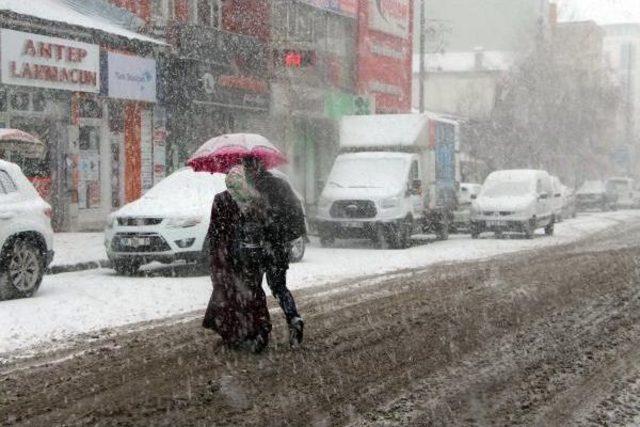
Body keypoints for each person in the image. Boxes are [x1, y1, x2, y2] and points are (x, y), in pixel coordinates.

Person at [202, 165, 271, 353]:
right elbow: (265, 227)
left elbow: (214, 231)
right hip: (252, 257)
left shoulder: (221, 199)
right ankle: (258, 330)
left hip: (229, 256)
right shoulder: (255, 199)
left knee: (229, 294)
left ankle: (234, 334)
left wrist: (213, 254)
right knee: (253, 293)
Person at [243, 156, 306, 347]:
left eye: (247, 168)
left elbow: (253, 217)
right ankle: (293, 318)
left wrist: (253, 215)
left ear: (253, 168)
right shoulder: (280, 184)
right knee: (278, 286)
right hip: (277, 245)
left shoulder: (254, 189)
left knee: (254, 288)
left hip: (258, 245)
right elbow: (294, 212)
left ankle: (260, 331)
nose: (245, 172)